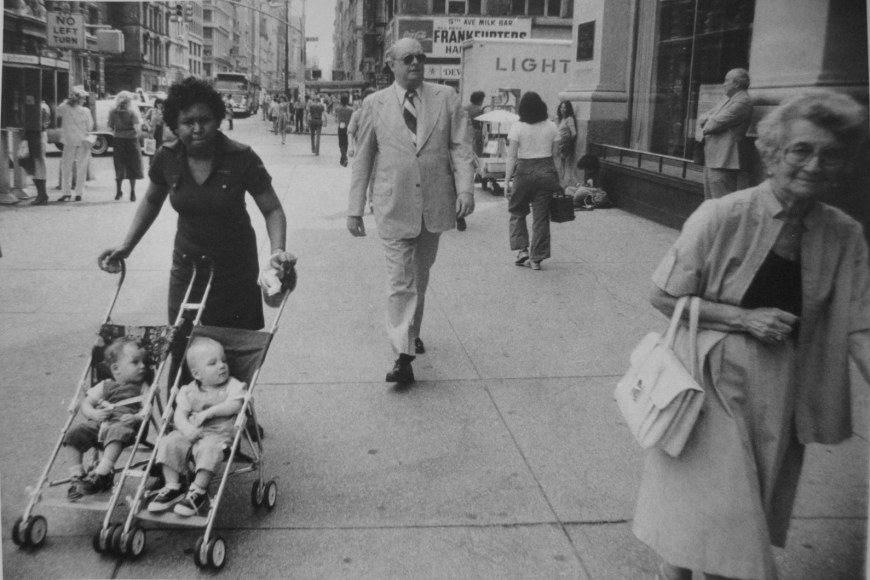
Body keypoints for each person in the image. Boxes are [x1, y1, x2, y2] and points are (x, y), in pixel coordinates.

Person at [634, 92, 870, 580]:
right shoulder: (723, 214)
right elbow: (661, 296)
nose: (813, 164)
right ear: (773, 151)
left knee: (743, 505)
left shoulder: (843, 233)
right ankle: (680, 570)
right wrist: (743, 319)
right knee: (716, 506)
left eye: (830, 154)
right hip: (710, 380)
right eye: (801, 150)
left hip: (784, 389)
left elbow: (861, 325)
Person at [97, 77, 295, 381]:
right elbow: (151, 201)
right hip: (188, 268)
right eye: (188, 121)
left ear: (218, 120)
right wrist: (127, 247)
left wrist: (277, 251)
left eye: (205, 120)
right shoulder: (167, 157)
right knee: (182, 342)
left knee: (232, 350)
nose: (197, 128)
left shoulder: (241, 157)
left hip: (234, 269)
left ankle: (235, 416)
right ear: (175, 125)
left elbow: (272, 209)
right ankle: (179, 414)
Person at [347, 37, 475, 386]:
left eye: (420, 57)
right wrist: (354, 209)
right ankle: (403, 356)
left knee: (419, 278)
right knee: (399, 283)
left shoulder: (446, 98)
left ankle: (411, 332)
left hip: (433, 205)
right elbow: (363, 158)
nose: (416, 63)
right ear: (392, 64)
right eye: (408, 58)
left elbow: (461, 147)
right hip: (392, 205)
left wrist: (465, 189)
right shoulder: (374, 104)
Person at [146, 337, 245, 516]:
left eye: (223, 360)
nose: (221, 366)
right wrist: (185, 428)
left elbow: (234, 405)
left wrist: (208, 413)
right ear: (197, 374)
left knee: (209, 449)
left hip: (218, 434)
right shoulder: (188, 390)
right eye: (212, 363)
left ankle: (198, 490)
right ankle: (172, 485)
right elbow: (179, 415)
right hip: (190, 432)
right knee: (169, 442)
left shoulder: (233, 385)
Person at [64, 338, 148, 500]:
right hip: (100, 424)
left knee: (117, 430)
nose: (143, 366)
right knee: (74, 433)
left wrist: (136, 417)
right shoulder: (105, 385)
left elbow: (147, 409)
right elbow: (86, 404)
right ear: (116, 368)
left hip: (125, 425)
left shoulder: (142, 387)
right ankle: (77, 475)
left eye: (143, 362)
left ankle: (101, 473)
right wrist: (93, 414)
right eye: (135, 362)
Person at [504, 91, 560, 271]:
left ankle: (522, 251)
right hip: (547, 171)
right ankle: (537, 258)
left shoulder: (517, 127)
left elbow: (511, 157)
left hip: (524, 172)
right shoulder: (552, 126)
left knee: (517, 211)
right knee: (541, 216)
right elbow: (557, 156)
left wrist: (506, 181)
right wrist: (560, 180)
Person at [698, 68, 753, 199]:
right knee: (710, 203)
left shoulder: (742, 101)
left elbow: (712, 125)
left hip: (724, 159)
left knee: (721, 202)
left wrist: (709, 119)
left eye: (726, 80)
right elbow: (703, 118)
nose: (724, 84)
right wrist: (709, 118)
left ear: (737, 84)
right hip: (713, 157)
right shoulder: (728, 99)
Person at [56, 89, 94, 202]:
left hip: (69, 141)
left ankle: (66, 192)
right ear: (80, 99)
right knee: (81, 167)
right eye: (83, 98)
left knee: (66, 167)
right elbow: (90, 126)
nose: (85, 100)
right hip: (83, 141)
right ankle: (79, 193)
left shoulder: (65, 108)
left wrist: (65, 102)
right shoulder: (85, 111)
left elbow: (57, 112)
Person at [107, 91, 144, 201]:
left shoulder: (113, 112)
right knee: (133, 165)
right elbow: (137, 128)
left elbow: (110, 127)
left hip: (118, 139)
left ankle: (118, 192)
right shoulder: (132, 111)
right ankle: (132, 192)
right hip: (131, 140)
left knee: (119, 164)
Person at [348, 88, 376, 213]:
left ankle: (372, 201)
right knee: (360, 178)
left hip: (376, 152)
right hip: (361, 152)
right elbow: (350, 131)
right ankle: (360, 202)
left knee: (374, 178)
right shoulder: (357, 114)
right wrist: (350, 146)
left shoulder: (380, 114)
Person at [27, 99, 52, 205]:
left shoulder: (39, 107)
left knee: (38, 165)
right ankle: (42, 194)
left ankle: (41, 195)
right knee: (39, 165)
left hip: (37, 136)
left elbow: (38, 124)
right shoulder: (45, 106)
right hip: (40, 135)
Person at [555, 100, 579, 188]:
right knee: (559, 166)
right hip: (559, 146)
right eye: (561, 107)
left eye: (565, 107)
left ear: (568, 109)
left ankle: (564, 185)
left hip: (565, 146)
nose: (563, 109)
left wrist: (567, 144)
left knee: (564, 167)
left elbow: (573, 133)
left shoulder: (569, 119)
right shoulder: (562, 119)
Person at [144, 98, 166, 162]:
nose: (160, 105)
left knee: (160, 148)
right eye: (159, 103)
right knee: (151, 148)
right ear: (156, 103)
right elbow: (145, 119)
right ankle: (151, 163)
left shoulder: (164, 111)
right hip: (152, 131)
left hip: (161, 130)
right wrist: (148, 126)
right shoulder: (151, 110)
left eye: (161, 104)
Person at [334, 95, 353, 166]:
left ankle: (344, 157)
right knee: (346, 143)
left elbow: (335, 115)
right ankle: (342, 159)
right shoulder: (351, 109)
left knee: (341, 143)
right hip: (348, 127)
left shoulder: (338, 108)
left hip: (341, 127)